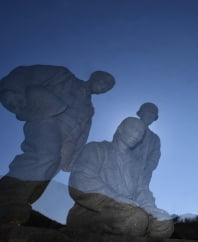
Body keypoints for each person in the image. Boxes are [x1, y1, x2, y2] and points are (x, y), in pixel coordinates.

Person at [0, 65, 115, 224]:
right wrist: (12, 89)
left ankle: (18, 205)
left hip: (68, 142)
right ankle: (5, 197)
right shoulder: (65, 77)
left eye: (106, 88)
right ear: (94, 76)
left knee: (48, 171)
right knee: (44, 156)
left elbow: (83, 134)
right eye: (104, 82)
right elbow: (28, 74)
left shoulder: (89, 109)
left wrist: (73, 159)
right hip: (47, 121)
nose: (103, 87)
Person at [67, 117, 174, 238]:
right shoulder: (96, 149)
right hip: (90, 212)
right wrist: (117, 200)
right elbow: (81, 180)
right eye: (133, 128)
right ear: (120, 128)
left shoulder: (136, 166)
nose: (137, 134)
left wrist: (151, 209)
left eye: (141, 133)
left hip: (130, 211)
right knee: (135, 219)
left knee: (164, 224)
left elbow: (142, 191)